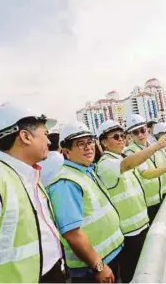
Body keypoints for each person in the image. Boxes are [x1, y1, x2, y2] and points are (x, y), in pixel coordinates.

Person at [0, 102, 64, 283]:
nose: (49, 142)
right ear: (25, 136)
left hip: (51, 273)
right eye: (45, 134)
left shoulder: (30, 175)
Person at [96, 120, 166, 283]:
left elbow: (146, 173)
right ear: (103, 142)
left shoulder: (121, 156)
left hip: (141, 226)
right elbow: (128, 164)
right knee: (133, 275)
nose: (121, 139)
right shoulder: (105, 164)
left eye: (122, 136)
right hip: (128, 233)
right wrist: (156, 146)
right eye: (115, 136)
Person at [47, 121, 124, 283]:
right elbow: (72, 233)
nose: (88, 147)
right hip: (92, 268)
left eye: (90, 142)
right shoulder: (66, 182)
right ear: (66, 151)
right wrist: (99, 266)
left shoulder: (86, 171)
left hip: (109, 257)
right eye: (80, 144)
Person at [124, 114, 166, 223]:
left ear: (147, 130)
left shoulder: (153, 146)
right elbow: (146, 173)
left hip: (161, 196)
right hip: (148, 203)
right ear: (130, 135)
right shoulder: (130, 152)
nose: (140, 134)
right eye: (135, 132)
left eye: (142, 130)